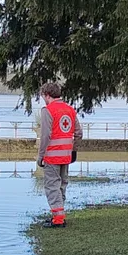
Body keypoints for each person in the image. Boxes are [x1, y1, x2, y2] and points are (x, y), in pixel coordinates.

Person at [37, 82, 83, 228]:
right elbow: (79, 133)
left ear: (46, 95)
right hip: (66, 155)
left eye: (43, 96)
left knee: (52, 186)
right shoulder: (70, 110)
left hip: (52, 155)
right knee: (62, 185)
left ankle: (58, 220)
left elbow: (45, 136)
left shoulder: (47, 110)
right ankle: (58, 215)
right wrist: (73, 150)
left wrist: (40, 156)